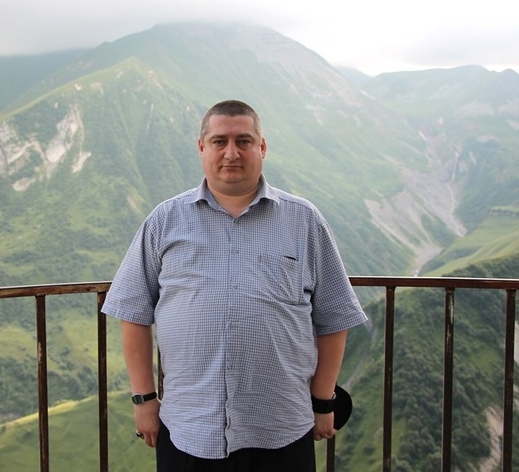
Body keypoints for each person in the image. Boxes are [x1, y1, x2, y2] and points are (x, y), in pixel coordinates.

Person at [102, 99, 368, 471]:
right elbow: (133, 312)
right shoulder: (164, 221)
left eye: (243, 141)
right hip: (188, 428)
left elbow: (334, 317)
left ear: (262, 147)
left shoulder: (304, 221)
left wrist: (323, 402)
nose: (231, 153)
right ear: (201, 147)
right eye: (219, 141)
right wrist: (144, 401)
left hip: (281, 427)